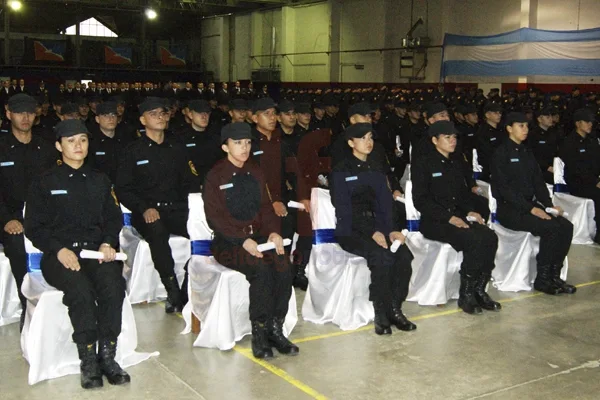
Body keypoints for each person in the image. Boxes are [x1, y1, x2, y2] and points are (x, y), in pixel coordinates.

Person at [24, 119, 129, 389]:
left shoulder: (100, 180)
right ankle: (88, 360)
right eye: (71, 141)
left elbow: (113, 218)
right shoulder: (44, 182)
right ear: (59, 146)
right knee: (80, 291)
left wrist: (108, 243)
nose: (78, 145)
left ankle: (107, 356)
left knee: (113, 286)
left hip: (96, 252)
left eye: (82, 139)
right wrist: (58, 249)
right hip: (59, 254)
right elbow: (34, 227)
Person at [204, 122, 298, 359]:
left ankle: (276, 329)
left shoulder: (256, 171)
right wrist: (241, 239)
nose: (244, 148)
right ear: (225, 147)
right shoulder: (216, 175)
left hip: (258, 237)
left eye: (247, 143)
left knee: (284, 266)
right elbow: (215, 218)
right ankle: (260, 331)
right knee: (261, 269)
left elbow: (266, 208)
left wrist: (273, 232)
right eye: (238, 143)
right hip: (228, 242)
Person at [331, 123, 416, 334]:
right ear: (351, 143)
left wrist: (393, 229)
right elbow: (344, 210)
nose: (368, 142)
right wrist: (372, 232)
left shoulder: (376, 167)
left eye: (370, 137)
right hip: (351, 229)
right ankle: (381, 311)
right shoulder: (340, 170)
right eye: (362, 138)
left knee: (404, 256)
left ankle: (396, 307)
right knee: (381, 257)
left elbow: (386, 204)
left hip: (380, 226)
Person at [116, 97, 198, 313]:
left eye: (163, 113)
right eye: (153, 114)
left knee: (203, 232)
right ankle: (171, 289)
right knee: (157, 232)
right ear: (142, 120)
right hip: (147, 211)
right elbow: (124, 188)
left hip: (177, 208)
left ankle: (187, 287)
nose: (160, 117)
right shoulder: (133, 151)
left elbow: (190, 181)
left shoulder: (177, 147)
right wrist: (143, 207)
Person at [412, 120, 500, 315]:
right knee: (473, 239)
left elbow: (462, 194)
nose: (452, 141)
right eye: (447, 137)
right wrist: (449, 217)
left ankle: (479, 289)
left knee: (490, 237)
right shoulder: (424, 163)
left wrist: (469, 211)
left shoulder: (457, 162)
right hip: (435, 221)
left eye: (454, 137)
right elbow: (421, 201)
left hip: (458, 217)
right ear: (435, 140)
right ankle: (466, 294)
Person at [492, 112, 575, 294]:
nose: (525, 130)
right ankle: (542, 279)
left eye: (527, 126)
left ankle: (554, 275)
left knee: (566, 227)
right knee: (551, 228)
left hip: (529, 206)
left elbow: (538, 182)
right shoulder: (501, 153)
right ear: (509, 128)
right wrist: (532, 209)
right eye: (521, 126)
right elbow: (504, 190)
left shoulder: (526, 151)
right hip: (510, 210)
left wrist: (548, 205)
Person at [0, 94, 58, 330]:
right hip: (9, 216)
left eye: (30, 112)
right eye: (19, 112)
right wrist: (6, 219)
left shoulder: (45, 148)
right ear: (8, 113)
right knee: (16, 243)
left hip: (42, 215)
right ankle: (29, 305)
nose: (25, 117)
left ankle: (59, 299)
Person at [559, 108, 600, 244]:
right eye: (586, 122)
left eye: (591, 122)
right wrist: (595, 181)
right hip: (577, 182)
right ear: (578, 123)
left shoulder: (592, 141)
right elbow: (575, 168)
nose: (590, 125)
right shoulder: (569, 142)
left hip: (593, 179)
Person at [527, 107, 558, 184]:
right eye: (547, 117)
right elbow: (532, 155)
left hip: (554, 168)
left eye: (551, 116)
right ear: (539, 119)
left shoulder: (553, 133)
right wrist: (546, 167)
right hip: (540, 170)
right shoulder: (533, 135)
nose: (551, 119)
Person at [476, 102, 504, 182]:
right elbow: (486, 153)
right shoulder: (482, 132)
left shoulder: (502, 129)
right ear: (487, 115)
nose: (499, 115)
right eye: (495, 113)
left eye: (500, 113)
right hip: (489, 169)